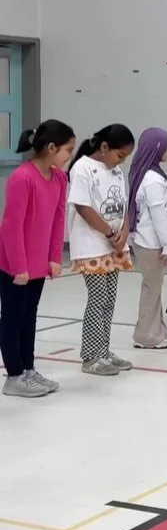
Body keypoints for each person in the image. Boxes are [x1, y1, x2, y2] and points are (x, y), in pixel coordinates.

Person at [0, 120, 75, 398]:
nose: (69, 156)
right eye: (68, 150)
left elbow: (58, 219)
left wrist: (54, 257)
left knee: (29, 316)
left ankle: (28, 368)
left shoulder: (59, 179)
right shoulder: (22, 178)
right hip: (14, 264)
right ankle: (14, 375)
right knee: (13, 317)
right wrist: (18, 266)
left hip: (39, 263)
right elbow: (11, 226)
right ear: (51, 148)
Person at [67, 124, 136, 377]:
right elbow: (83, 207)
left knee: (109, 299)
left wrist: (124, 233)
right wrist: (108, 233)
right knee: (97, 299)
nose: (122, 161)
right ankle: (90, 356)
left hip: (114, 246)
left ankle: (104, 351)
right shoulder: (82, 167)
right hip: (92, 246)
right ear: (104, 147)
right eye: (120, 155)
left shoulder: (116, 171)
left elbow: (124, 207)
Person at [128, 128, 167, 349]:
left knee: (154, 288)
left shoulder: (146, 173)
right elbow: (159, 214)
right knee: (152, 288)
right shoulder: (153, 179)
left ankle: (157, 330)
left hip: (145, 239)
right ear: (157, 148)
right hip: (150, 241)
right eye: (166, 146)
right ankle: (146, 336)